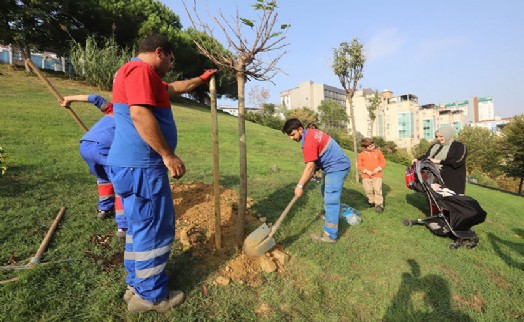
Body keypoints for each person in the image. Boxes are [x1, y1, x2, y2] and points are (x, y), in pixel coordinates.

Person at [106, 34, 217, 313]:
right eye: (170, 59)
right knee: (155, 228)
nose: (171, 64)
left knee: (139, 226)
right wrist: (168, 155)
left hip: (131, 165)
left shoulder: (137, 74)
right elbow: (140, 115)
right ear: (159, 52)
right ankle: (152, 297)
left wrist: (201, 79)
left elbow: (175, 88)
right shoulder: (141, 71)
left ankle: (137, 284)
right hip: (142, 165)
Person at [61, 94, 127, 239]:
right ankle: (123, 226)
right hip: (104, 148)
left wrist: (69, 99)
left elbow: (95, 98)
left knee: (103, 178)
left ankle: (104, 210)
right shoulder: (135, 115)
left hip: (85, 144)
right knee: (121, 183)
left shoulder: (114, 108)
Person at [282, 118, 351, 243]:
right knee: (326, 191)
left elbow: (310, 167)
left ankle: (330, 234)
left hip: (337, 166)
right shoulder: (311, 133)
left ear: (300, 129)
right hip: (333, 165)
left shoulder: (308, 141)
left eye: (293, 134)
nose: (291, 138)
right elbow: (315, 163)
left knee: (331, 198)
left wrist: (299, 186)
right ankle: (331, 217)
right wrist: (304, 183)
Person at [412, 126, 467, 194]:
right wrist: (417, 159)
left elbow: (458, 161)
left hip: (453, 179)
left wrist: (439, 161)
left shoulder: (459, 146)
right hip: (436, 177)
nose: (438, 139)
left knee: (452, 200)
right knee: (435, 198)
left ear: (448, 134)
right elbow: (427, 156)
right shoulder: (435, 146)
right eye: (437, 136)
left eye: (441, 136)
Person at [357, 138, 386, 213]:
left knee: (377, 190)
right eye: (370, 146)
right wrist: (366, 171)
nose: (373, 147)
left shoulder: (378, 152)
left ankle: (379, 205)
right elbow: (359, 166)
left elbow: (383, 162)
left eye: (373, 145)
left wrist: (378, 168)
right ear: (364, 148)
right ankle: (371, 201)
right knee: (368, 190)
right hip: (366, 177)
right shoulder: (361, 155)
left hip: (377, 175)